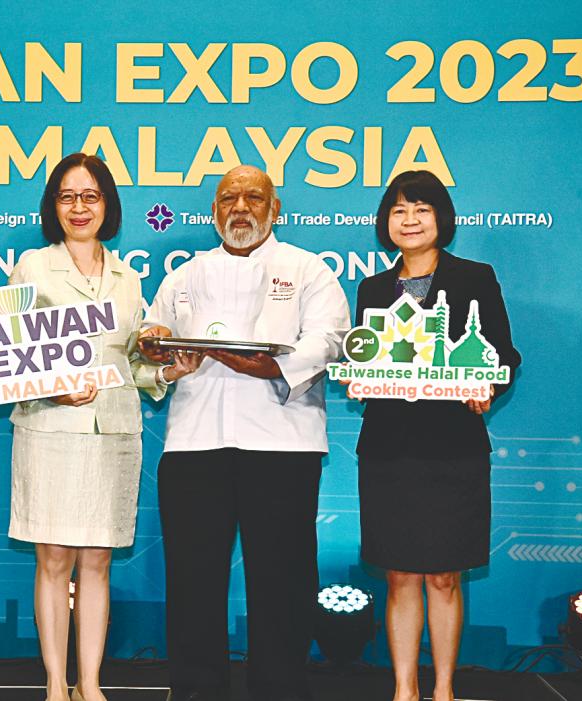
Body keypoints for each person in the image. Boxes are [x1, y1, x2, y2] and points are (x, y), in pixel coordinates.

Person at [140, 165, 351, 701]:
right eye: (228, 197)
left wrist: (270, 365)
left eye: (253, 197)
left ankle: (279, 689)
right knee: (192, 578)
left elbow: (329, 339)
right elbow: (153, 341)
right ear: (214, 212)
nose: (240, 207)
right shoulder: (184, 275)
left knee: (283, 580)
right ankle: (194, 689)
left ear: (274, 209)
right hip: (194, 444)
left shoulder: (308, 270)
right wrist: (155, 346)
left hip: (282, 442)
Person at [353, 170, 521, 701]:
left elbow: (503, 355)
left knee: (445, 577)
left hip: (452, 451)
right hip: (388, 450)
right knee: (400, 576)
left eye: (421, 209)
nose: (409, 220)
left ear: (441, 219)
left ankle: (444, 689)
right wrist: (360, 378)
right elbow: (367, 357)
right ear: (386, 223)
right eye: (399, 210)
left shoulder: (474, 278)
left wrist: (487, 385)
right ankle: (404, 689)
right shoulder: (373, 289)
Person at [6, 153, 166, 701]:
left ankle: (90, 683)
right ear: (54, 206)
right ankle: (56, 683)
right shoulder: (32, 266)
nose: (80, 208)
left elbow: (131, 361)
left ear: (107, 205)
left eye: (91, 196)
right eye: (68, 197)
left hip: (114, 431)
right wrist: (53, 385)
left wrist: (166, 366)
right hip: (50, 426)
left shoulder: (129, 277)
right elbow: (11, 355)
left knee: (97, 559)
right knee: (53, 559)